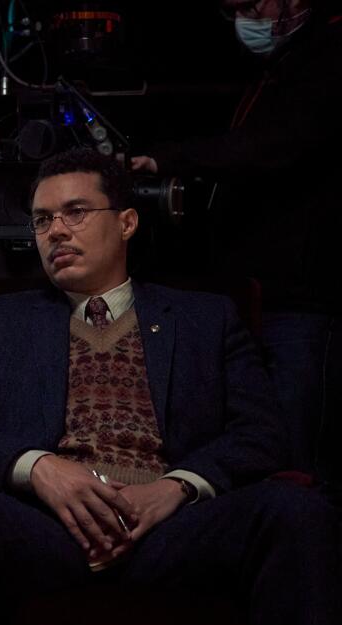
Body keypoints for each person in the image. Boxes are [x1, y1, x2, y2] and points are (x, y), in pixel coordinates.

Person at [0, 147, 341, 625]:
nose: (56, 231)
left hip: (174, 527)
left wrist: (175, 488)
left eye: (76, 212)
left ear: (127, 222)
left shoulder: (206, 317)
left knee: (298, 512)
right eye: (42, 220)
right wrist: (41, 469)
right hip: (46, 527)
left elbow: (263, 433)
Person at [131, 0, 342, 492]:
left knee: (299, 464)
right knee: (263, 452)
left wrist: (166, 160)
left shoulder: (330, 53)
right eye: (233, 8)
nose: (246, 17)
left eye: (253, 3)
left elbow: (272, 146)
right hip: (266, 298)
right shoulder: (279, 66)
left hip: (307, 303)